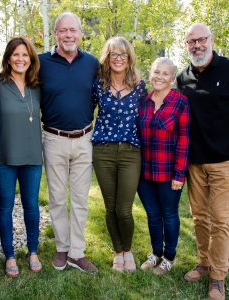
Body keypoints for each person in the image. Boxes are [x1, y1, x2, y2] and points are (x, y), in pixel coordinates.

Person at [39, 12, 98, 272]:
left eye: (73, 30)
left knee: (80, 200)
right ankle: (62, 248)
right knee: (57, 198)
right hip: (53, 138)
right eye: (63, 30)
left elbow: (101, 95)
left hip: (84, 138)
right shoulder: (41, 63)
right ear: (55, 34)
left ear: (80, 34)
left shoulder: (93, 63)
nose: (68, 35)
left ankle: (77, 251)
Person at [177, 23, 229, 300]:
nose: (196, 45)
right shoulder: (183, 77)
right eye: (191, 42)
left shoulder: (227, 69)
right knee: (200, 218)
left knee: (221, 221)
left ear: (212, 40)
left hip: (224, 162)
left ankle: (218, 277)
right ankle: (204, 263)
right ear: (186, 45)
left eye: (201, 40)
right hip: (194, 163)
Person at [92, 37, 146, 272]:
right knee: (110, 207)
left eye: (123, 54)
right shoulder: (98, 84)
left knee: (124, 209)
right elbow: (84, 108)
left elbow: (149, 115)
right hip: (102, 151)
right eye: (114, 54)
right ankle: (118, 252)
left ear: (129, 58)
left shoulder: (139, 85)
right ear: (107, 57)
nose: (118, 58)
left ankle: (128, 250)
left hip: (130, 152)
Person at [0, 37, 42, 277]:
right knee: (4, 207)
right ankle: (9, 254)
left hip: (33, 155)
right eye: (16, 54)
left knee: (31, 206)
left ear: (31, 58)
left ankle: (32, 250)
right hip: (5, 156)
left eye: (25, 55)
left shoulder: (37, 85)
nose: (20, 59)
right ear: (8, 58)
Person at [138, 57, 190, 275]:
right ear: (151, 74)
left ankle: (169, 256)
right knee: (152, 214)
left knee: (169, 214)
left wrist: (180, 173)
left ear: (171, 78)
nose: (159, 77)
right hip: (144, 172)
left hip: (169, 173)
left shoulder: (180, 102)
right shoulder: (143, 101)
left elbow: (184, 140)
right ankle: (156, 253)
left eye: (165, 73)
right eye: (156, 72)